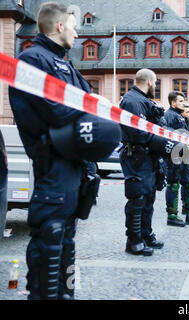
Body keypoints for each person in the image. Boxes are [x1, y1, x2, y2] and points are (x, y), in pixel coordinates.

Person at [7, 2, 106, 299]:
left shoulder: (66, 64)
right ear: (60, 26)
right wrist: (90, 114)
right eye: (74, 26)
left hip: (75, 163)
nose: (77, 33)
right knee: (50, 236)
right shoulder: (32, 60)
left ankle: (66, 293)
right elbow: (57, 110)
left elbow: (90, 104)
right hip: (53, 161)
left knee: (67, 239)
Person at [119, 69, 165, 256]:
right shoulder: (132, 101)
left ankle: (145, 234)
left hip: (147, 156)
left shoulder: (142, 100)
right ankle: (134, 240)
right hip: (136, 155)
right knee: (137, 199)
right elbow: (137, 132)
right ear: (149, 82)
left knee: (148, 198)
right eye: (155, 83)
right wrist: (161, 141)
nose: (155, 86)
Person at [164, 91, 189, 226]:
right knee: (173, 185)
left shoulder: (179, 116)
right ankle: (172, 215)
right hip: (175, 157)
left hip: (185, 156)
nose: (183, 103)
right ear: (173, 103)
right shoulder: (169, 115)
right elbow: (169, 136)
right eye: (180, 101)